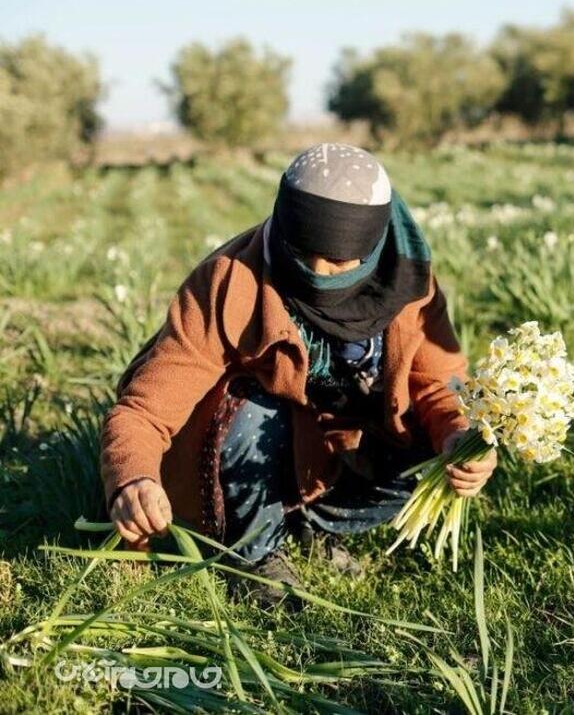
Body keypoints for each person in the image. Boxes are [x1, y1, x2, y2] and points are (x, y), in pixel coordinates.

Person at [100, 143, 496, 603]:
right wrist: (133, 479)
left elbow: (437, 381)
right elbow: (145, 409)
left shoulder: (406, 281)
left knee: (432, 448)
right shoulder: (230, 281)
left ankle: (313, 525)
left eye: (340, 263)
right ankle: (255, 556)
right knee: (244, 403)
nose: (318, 275)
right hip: (246, 448)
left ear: (373, 246)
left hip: (336, 445)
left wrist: (459, 435)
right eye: (303, 255)